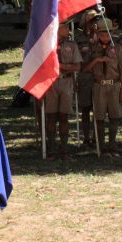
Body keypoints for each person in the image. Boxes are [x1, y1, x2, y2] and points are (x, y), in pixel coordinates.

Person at [84, 20, 122, 158]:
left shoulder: (118, 48)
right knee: (99, 117)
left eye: (108, 33)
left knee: (115, 117)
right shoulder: (93, 48)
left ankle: (113, 147)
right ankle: (101, 148)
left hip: (114, 85)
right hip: (99, 86)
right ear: (98, 33)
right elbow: (85, 69)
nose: (105, 37)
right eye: (102, 34)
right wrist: (97, 60)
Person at [42, 20, 81, 159]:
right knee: (51, 116)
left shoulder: (72, 45)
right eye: (65, 28)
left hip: (66, 81)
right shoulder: (47, 45)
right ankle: (51, 149)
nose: (68, 30)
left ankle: (64, 149)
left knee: (64, 116)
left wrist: (61, 66)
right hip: (51, 83)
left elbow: (77, 67)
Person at [76, 9, 98, 148]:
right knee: (85, 109)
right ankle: (86, 138)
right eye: (91, 21)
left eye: (96, 21)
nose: (94, 24)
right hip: (84, 77)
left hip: (98, 76)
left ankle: (97, 137)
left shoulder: (102, 37)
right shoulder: (78, 39)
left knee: (98, 109)